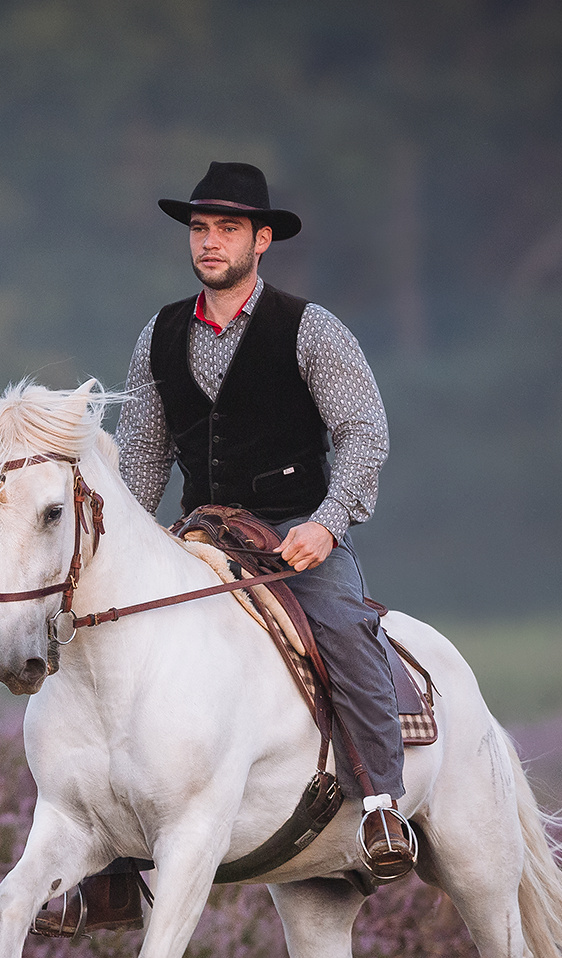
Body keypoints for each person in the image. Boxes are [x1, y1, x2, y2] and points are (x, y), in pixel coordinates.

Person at [113, 160, 414, 878]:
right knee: (110, 636)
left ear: (262, 239)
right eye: (199, 229)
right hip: (200, 535)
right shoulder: (155, 336)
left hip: (294, 537)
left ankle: (382, 808)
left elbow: (365, 432)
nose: (209, 242)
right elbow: (142, 459)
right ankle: (113, 853)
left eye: (227, 229)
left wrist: (329, 524)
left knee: (343, 624)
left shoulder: (312, 329)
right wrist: (128, 536)